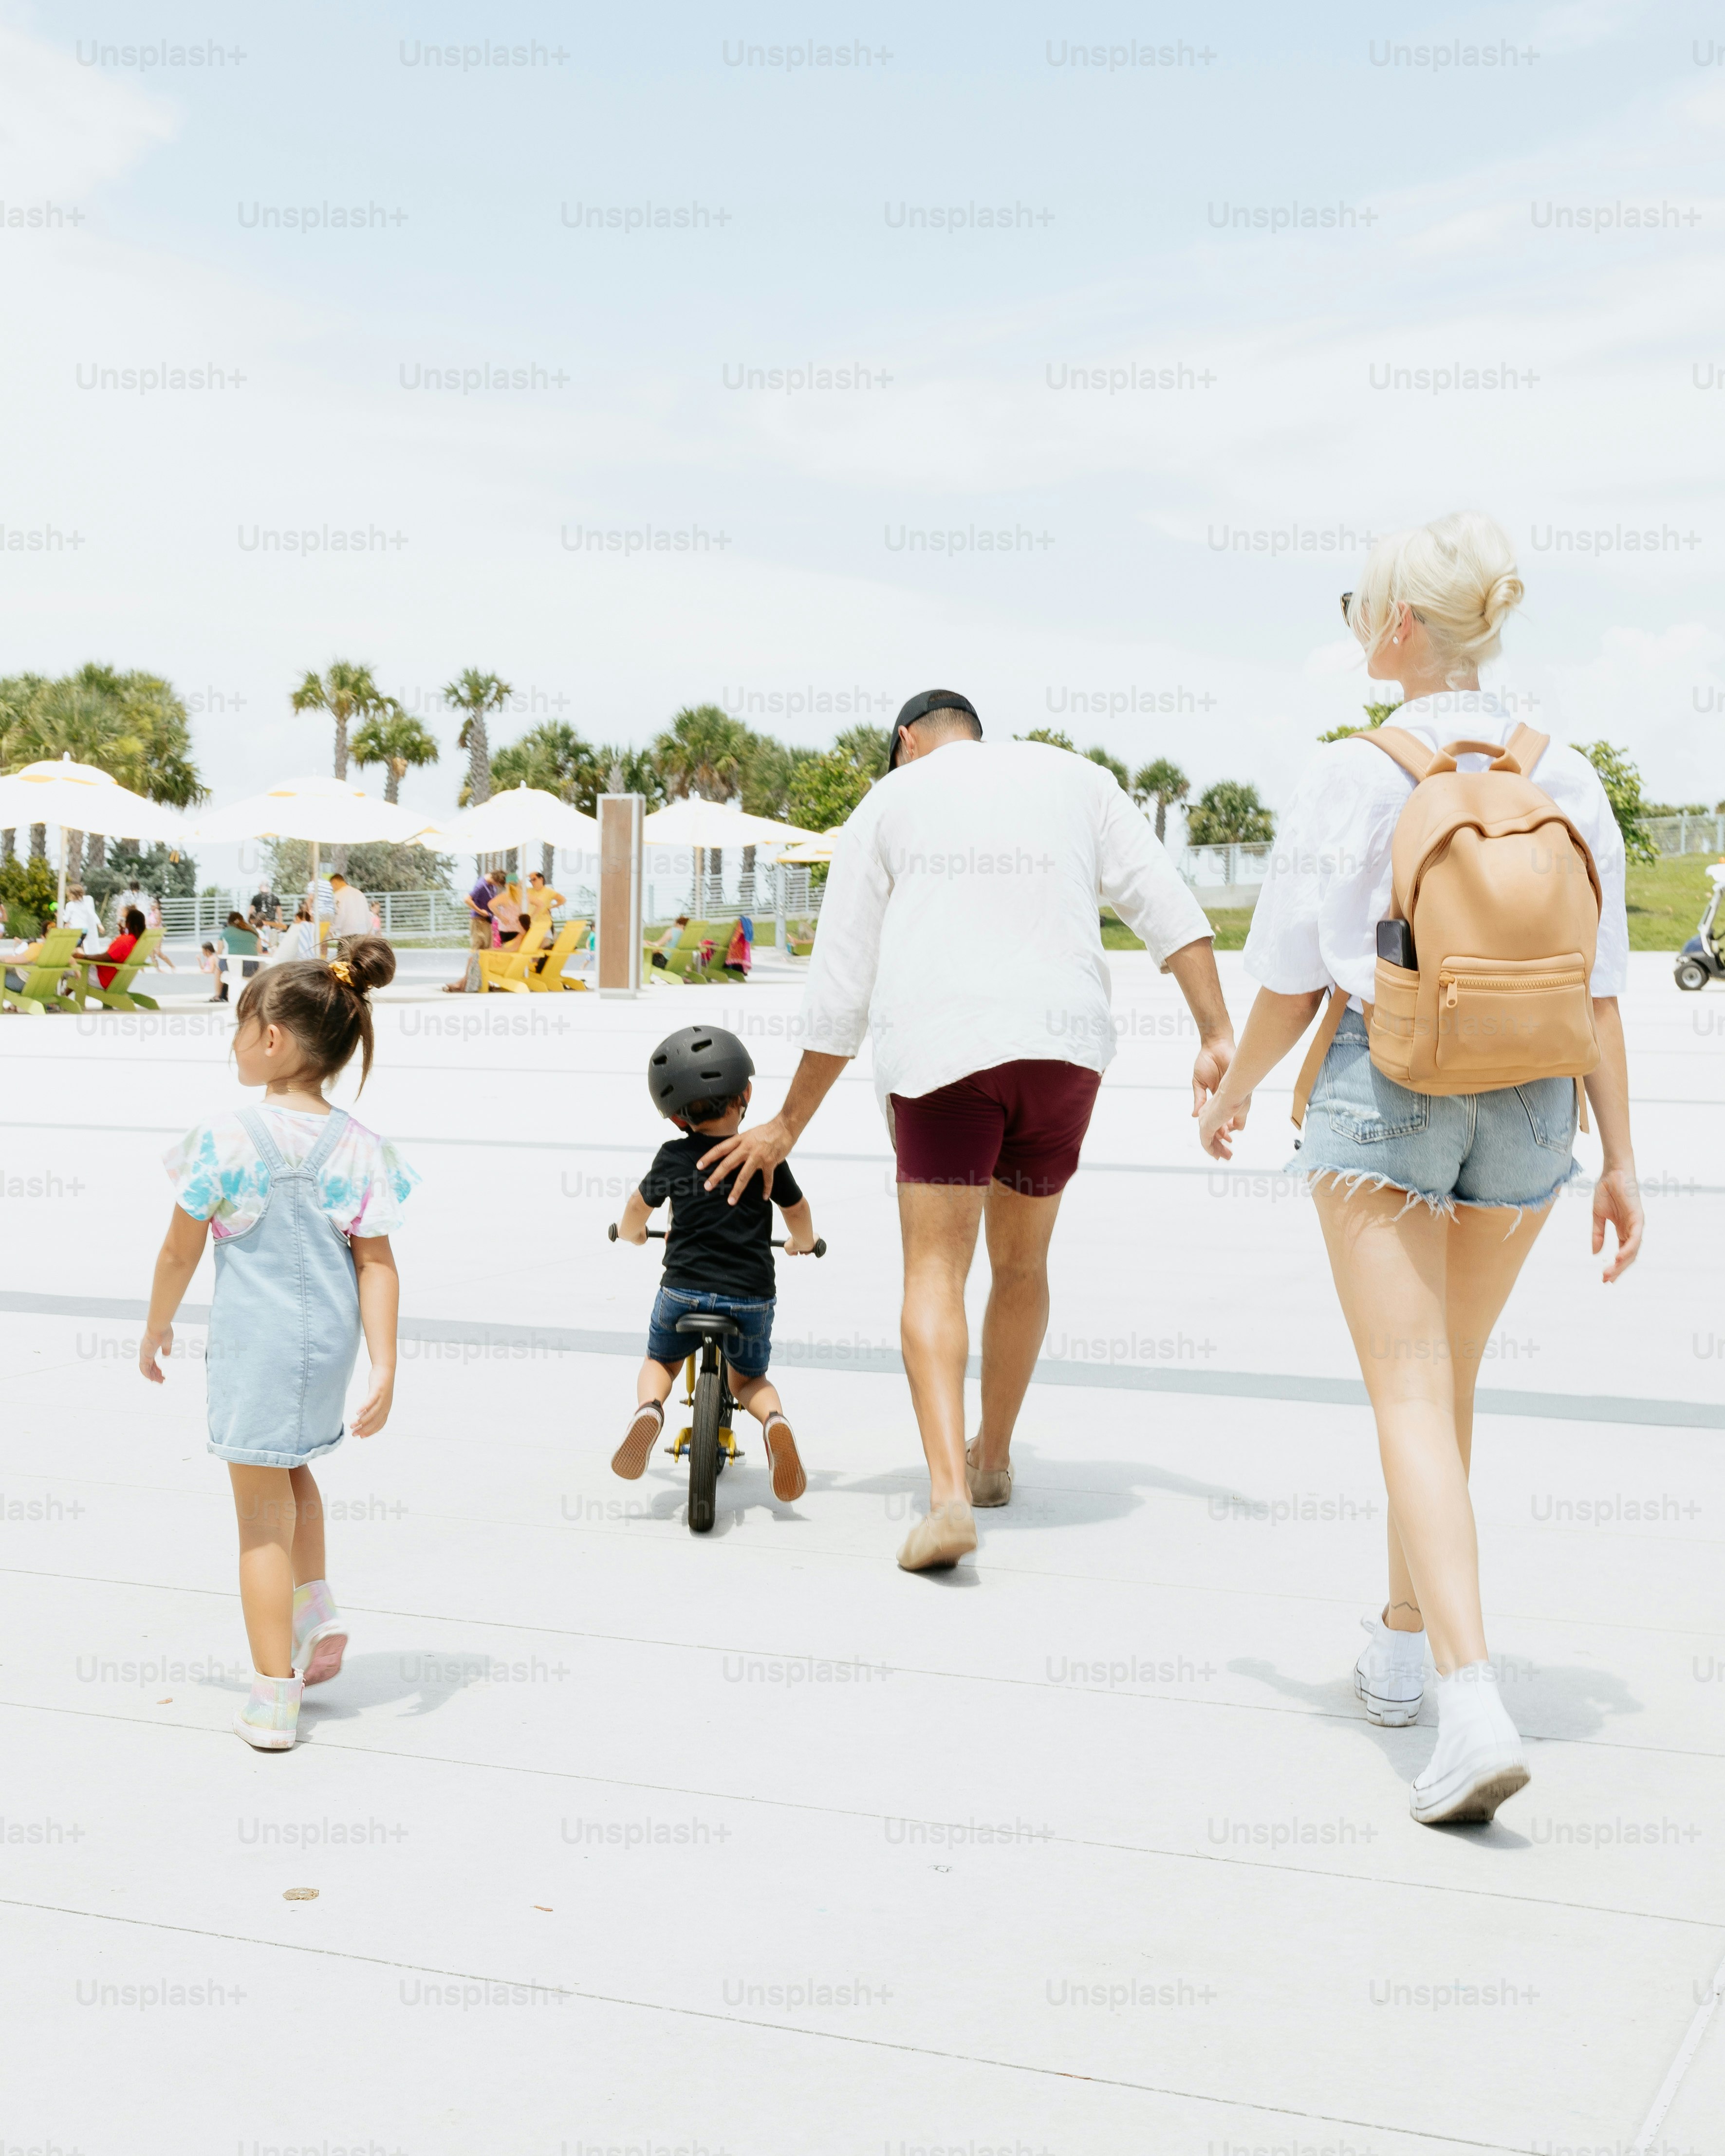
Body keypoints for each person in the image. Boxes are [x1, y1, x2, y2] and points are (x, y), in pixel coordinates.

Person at [1195, 510, 1643, 1827]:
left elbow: (1288, 975)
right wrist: (1618, 1156)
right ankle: (1399, 1639)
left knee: (1401, 1395)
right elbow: (1598, 987)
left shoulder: (1357, 768)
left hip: (1383, 1086)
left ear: (1397, 626)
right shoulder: (1563, 768)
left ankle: (1465, 1699)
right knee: (1441, 1391)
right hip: (1528, 1105)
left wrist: (1227, 1090)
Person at [700, 688, 1234, 1572]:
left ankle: (947, 1496)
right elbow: (1164, 904)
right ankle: (991, 1460)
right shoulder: (1077, 776)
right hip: (1062, 1050)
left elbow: (842, 981)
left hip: (942, 1051)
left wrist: (788, 1121)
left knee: (934, 1270)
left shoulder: (889, 799)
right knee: (1022, 1264)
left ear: (907, 741)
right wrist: (1215, 1032)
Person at [139, 938, 417, 1751]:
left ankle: (271, 1693)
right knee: (292, 1469)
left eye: (237, 1024)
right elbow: (377, 1262)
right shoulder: (361, 1144)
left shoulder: (224, 1137)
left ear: (271, 1038)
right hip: (324, 1349)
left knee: (258, 1521)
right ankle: (314, 1610)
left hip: (257, 1351)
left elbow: (177, 1252)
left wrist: (157, 1323)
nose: (231, 1041)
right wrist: (385, 1362)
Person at [611, 1025, 816, 1507]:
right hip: (750, 1296)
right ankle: (773, 1421)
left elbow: (637, 1210)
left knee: (661, 1359)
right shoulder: (766, 1153)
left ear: (675, 1115)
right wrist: (800, 1244)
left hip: (682, 1292)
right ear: (745, 1094)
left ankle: (649, 1409)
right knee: (749, 1379)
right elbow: (798, 1213)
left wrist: (632, 1233)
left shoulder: (672, 1156)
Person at [96, 906, 146, 989]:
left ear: (128, 924)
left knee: (75, 972)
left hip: (105, 978)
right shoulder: (139, 942)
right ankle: (66, 994)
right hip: (120, 981)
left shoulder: (125, 940)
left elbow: (106, 957)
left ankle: (66, 996)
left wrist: (84, 957)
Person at [328, 873, 372, 944]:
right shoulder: (359, 893)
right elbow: (367, 915)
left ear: (335, 883)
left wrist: (332, 929)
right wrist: (370, 933)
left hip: (348, 934)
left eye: (332, 886)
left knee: (344, 955)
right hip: (363, 934)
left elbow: (340, 914)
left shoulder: (339, 894)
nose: (333, 889)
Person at [61, 882, 106, 952]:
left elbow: (66, 919)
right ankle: (81, 961)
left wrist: (59, 914)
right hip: (85, 930)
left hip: (76, 931)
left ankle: (87, 960)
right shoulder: (86, 904)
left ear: (72, 895)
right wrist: (99, 925)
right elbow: (92, 914)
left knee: (76, 948)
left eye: (68, 895)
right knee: (77, 947)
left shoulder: (70, 905)